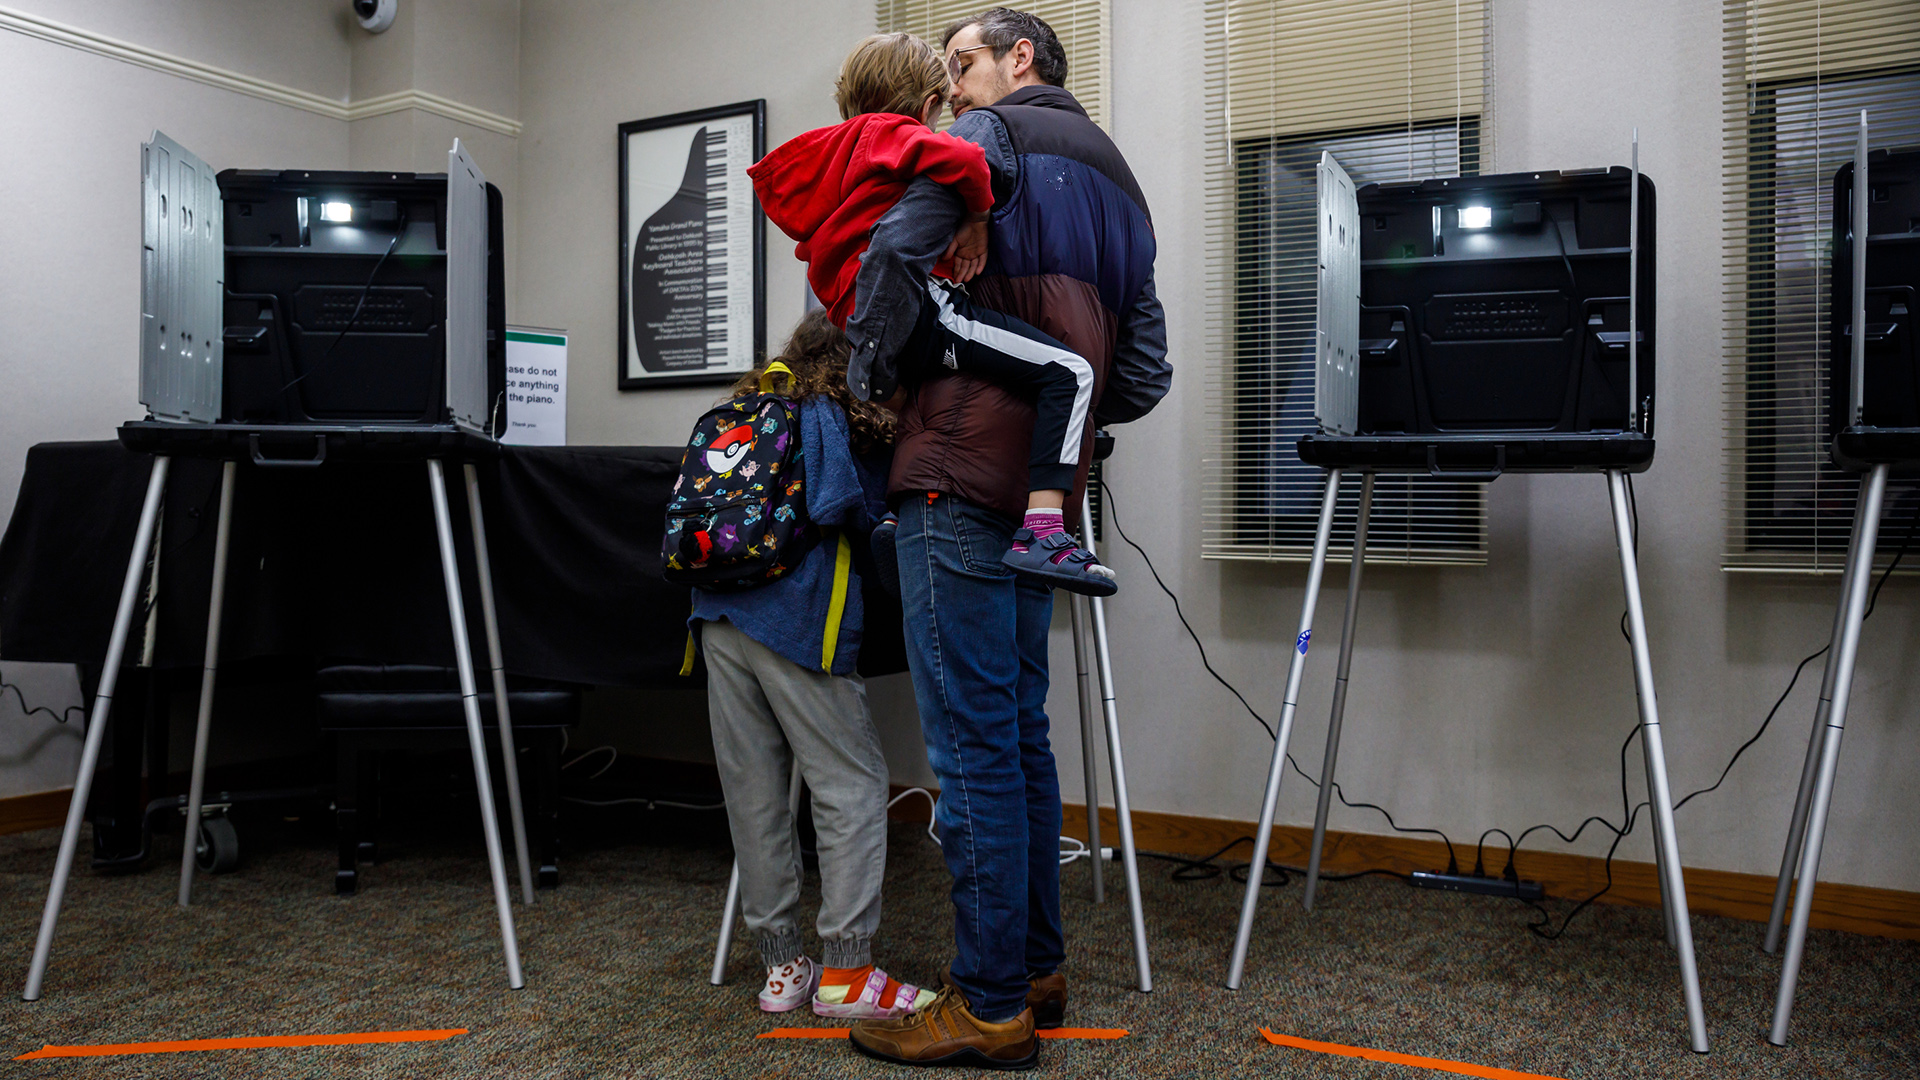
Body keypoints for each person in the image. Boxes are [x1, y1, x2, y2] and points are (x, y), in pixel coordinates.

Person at [842, 8, 1169, 1070]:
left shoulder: (986, 140)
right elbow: (1145, 374)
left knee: (972, 751)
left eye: (966, 61)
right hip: (1043, 500)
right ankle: (1033, 967)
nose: (953, 83)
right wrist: (1054, 420)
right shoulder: (1123, 182)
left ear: (1021, 58)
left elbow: (891, 253)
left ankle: (987, 1004)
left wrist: (871, 372)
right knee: (1018, 738)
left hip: (950, 475)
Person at [746, 32, 1118, 596]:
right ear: (925, 106)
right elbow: (964, 159)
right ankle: (1044, 531)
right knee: (1071, 373)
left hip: (862, 319)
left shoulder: (828, 155)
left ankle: (897, 521)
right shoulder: (893, 135)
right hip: (917, 314)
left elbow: (858, 239)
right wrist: (975, 213)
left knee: (928, 398)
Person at [689, 311, 934, 1020]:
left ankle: (782, 968)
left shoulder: (746, 409)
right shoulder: (841, 418)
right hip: (796, 617)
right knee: (850, 785)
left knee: (755, 796)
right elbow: (849, 512)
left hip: (716, 618)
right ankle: (849, 975)